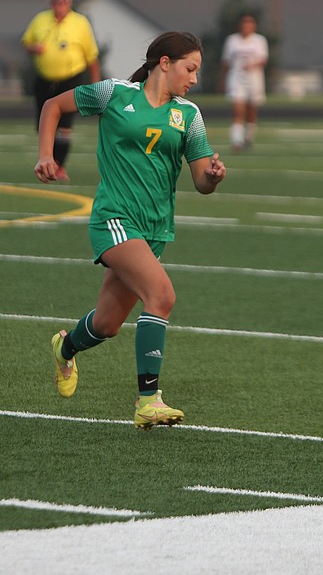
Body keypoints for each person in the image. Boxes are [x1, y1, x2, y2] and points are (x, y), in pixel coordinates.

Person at [35, 31, 226, 429]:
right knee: (162, 295)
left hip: (155, 229)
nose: (194, 79)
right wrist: (46, 156)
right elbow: (54, 106)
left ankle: (65, 347)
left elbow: (201, 183)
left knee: (106, 324)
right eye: (190, 69)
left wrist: (213, 176)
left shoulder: (189, 116)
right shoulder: (114, 94)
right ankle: (147, 400)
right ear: (165, 63)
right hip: (114, 219)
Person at [21, 0, 101, 179]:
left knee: (65, 125)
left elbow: (91, 55)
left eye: (64, 0)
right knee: (44, 122)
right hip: (44, 79)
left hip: (70, 77)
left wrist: (96, 84)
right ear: (50, 2)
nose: (60, 4)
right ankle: (46, 160)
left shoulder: (80, 22)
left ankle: (60, 165)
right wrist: (34, 49)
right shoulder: (40, 20)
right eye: (56, 0)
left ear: (70, 2)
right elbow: (26, 43)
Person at [220, 12, 269, 152]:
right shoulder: (232, 40)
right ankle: (236, 141)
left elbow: (263, 59)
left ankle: (248, 137)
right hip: (236, 79)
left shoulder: (259, 40)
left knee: (252, 111)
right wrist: (222, 80)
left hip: (254, 80)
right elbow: (226, 61)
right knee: (238, 110)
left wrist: (251, 65)